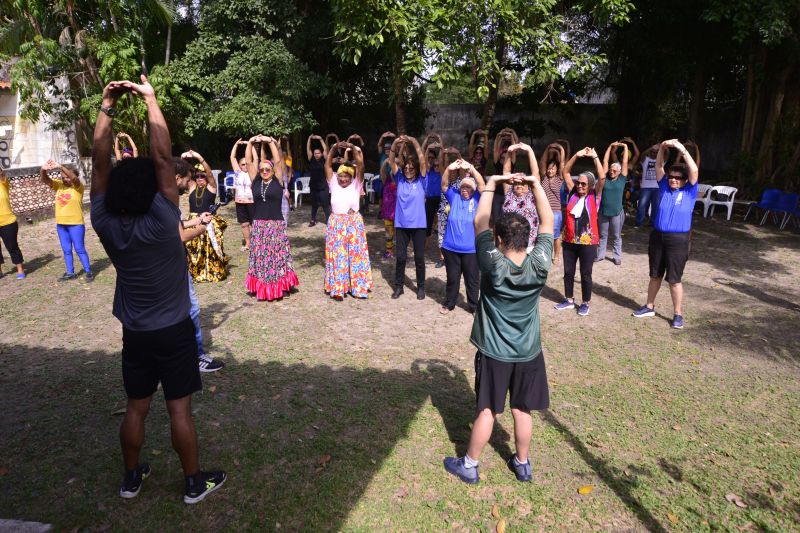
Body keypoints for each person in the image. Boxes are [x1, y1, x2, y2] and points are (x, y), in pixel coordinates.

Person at [90, 75, 225, 504]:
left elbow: (97, 165)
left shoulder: (104, 223)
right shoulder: (163, 217)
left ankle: (131, 478)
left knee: (136, 407)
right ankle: (192, 483)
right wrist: (150, 100)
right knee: (179, 410)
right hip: (174, 330)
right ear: (152, 187)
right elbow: (164, 156)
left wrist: (106, 106)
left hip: (137, 333)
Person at [442, 171, 554, 485]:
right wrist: (534, 185)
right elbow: (548, 222)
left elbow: (479, 222)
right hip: (528, 352)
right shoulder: (540, 262)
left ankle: (469, 464)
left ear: (499, 240)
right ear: (529, 237)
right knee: (522, 409)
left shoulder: (493, 263)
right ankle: (522, 463)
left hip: (496, 353)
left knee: (488, 409)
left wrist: (490, 184)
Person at [633, 139, 699, 329]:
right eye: (672, 177)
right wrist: (662, 148)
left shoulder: (689, 191)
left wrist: (681, 149)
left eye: (678, 178)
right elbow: (659, 166)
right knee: (655, 275)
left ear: (685, 181)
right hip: (658, 236)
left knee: (674, 279)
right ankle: (649, 306)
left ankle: (678, 314)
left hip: (678, 240)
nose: (673, 180)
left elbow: (693, 170)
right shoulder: (663, 187)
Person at [174, 158, 225, 373]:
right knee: (192, 307)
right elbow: (180, 236)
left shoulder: (159, 198)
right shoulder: (169, 200)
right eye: (188, 179)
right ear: (177, 178)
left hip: (168, 264)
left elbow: (178, 225)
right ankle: (196, 356)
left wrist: (195, 221)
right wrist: (201, 228)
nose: (190, 183)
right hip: (173, 263)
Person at [245, 135, 299, 300]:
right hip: (259, 225)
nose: (264, 171)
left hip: (275, 224)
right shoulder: (255, 182)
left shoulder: (278, 182)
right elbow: (248, 162)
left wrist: (270, 141)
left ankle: (279, 285)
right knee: (261, 258)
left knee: (277, 256)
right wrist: (250, 142)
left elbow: (277, 160)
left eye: (267, 169)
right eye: (262, 169)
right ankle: (262, 286)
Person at [554, 147, 605, 316]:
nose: (580, 185)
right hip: (569, 240)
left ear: (590, 185)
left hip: (588, 243)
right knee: (568, 272)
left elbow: (602, 177)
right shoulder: (572, 193)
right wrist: (577, 154)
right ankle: (569, 300)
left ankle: (585, 302)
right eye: (579, 183)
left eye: (584, 183)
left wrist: (595, 157)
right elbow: (566, 171)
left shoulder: (594, 196)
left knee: (585, 273)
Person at [322, 142, 373, 299]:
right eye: (341, 176)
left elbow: (360, 164)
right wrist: (333, 148)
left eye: (346, 176)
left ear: (352, 177)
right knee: (338, 256)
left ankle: (357, 287)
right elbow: (328, 165)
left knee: (355, 256)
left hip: (353, 223)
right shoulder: (333, 184)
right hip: (336, 223)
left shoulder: (357, 185)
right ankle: (338, 288)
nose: (343, 179)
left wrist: (351, 146)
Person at [439, 160, 485, 315]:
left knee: (472, 280)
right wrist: (449, 168)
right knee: (452, 279)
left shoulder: (477, 199)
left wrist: (471, 168)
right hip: (450, 247)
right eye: (463, 186)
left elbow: (482, 185)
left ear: (472, 189)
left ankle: (473, 306)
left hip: (471, 249)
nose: (465, 189)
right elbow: (444, 185)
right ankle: (449, 303)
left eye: (468, 187)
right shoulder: (455, 197)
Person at [40, 160, 94, 282]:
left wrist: (60, 167)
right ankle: (70, 272)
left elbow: (74, 178)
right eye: (63, 177)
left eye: (67, 177)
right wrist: (43, 169)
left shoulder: (78, 187)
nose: (65, 179)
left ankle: (88, 271)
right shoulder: (59, 185)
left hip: (76, 224)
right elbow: (45, 180)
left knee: (79, 248)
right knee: (66, 250)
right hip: (61, 225)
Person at [389, 134, 429, 300]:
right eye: (406, 167)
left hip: (419, 225)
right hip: (402, 224)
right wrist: (395, 144)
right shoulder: (400, 179)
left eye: (412, 167)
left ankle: (420, 287)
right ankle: (399, 287)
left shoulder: (422, 181)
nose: (408, 169)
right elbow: (392, 161)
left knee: (419, 258)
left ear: (416, 168)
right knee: (401, 257)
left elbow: (422, 159)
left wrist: (413, 141)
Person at [181, 149, 228, 283]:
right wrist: (183, 159)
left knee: (209, 249)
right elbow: (182, 173)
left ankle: (210, 272)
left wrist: (198, 157)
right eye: (197, 176)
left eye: (203, 176)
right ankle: (195, 273)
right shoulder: (191, 187)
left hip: (208, 222)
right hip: (193, 221)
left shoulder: (211, 187)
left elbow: (209, 173)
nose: (200, 178)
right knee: (193, 249)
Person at [597, 141, 630, 265]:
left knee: (616, 236)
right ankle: (600, 255)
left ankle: (617, 256)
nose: (612, 172)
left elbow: (625, 162)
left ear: (619, 171)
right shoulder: (605, 177)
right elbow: (604, 162)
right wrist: (610, 146)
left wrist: (625, 147)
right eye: (611, 170)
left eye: (615, 170)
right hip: (603, 212)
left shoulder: (622, 178)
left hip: (617, 213)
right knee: (603, 235)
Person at [502, 143, 540, 249]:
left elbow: (535, 173)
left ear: (527, 184)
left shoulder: (531, 194)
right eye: (516, 183)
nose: (519, 185)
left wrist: (529, 151)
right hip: (509, 243)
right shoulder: (509, 192)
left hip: (528, 243)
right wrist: (509, 152)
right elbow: (506, 172)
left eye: (522, 183)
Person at [538, 142, 566, 262]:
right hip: (543, 211)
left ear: (556, 170)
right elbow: (542, 162)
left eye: (552, 168)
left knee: (556, 235)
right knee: (543, 234)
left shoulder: (560, 178)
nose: (550, 171)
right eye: (549, 168)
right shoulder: (543, 178)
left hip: (555, 211)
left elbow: (563, 163)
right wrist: (548, 148)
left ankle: (556, 256)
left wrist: (560, 148)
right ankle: (545, 254)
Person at [0, 167, 26, 279]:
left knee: (12, 246)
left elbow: (2, 175)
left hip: (8, 221)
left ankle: (20, 269)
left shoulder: (3, 184)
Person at [230, 138, 254, 250]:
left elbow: (256, 158)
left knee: (254, 224)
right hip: (240, 202)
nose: (245, 166)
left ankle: (257, 242)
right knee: (244, 224)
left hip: (252, 201)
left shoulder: (253, 171)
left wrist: (250, 145)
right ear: (239, 165)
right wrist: (236, 144)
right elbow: (232, 157)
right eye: (243, 164)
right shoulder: (238, 173)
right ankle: (248, 243)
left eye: (246, 164)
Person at [423, 140, 445, 267]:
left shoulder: (442, 172)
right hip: (430, 199)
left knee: (441, 227)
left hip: (441, 199)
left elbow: (442, 158)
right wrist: (428, 148)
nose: (436, 166)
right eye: (435, 165)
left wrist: (441, 147)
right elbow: (424, 159)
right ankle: (423, 249)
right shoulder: (429, 171)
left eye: (438, 165)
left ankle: (441, 257)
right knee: (427, 225)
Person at [306, 134, 331, 227]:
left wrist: (321, 139)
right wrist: (309, 138)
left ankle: (329, 221)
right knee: (314, 205)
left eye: (318, 153)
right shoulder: (311, 159)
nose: (316, 154)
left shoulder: (324, 159)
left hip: (323, 186)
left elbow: (326, 149)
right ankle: (313, 220)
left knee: (325, 204)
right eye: (315, 153)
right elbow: (308, 149)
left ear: (321, 154)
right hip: (313, 185)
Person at [635, 143, 661, 227]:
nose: (654, 153)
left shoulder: (660, 161)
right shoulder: (645, 159)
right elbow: (642, 154)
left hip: (657, 188)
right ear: (650, 152)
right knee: (641, 206)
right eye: (653, 152)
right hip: (645, 187)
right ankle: (639, 223)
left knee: (656, 207)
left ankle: (653, 224)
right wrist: (651, 147)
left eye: (656, 152)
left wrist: (662, 146)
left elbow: (667, 154)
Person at [379, 157, 397, 259]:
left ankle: (400, 251)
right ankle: (389, 250)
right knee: (388, 231)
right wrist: (385, 162)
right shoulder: (386, 179)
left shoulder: (401, 179)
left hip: (398, 210)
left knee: (399, 233)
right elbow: (382, 171)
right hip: (387, 210)